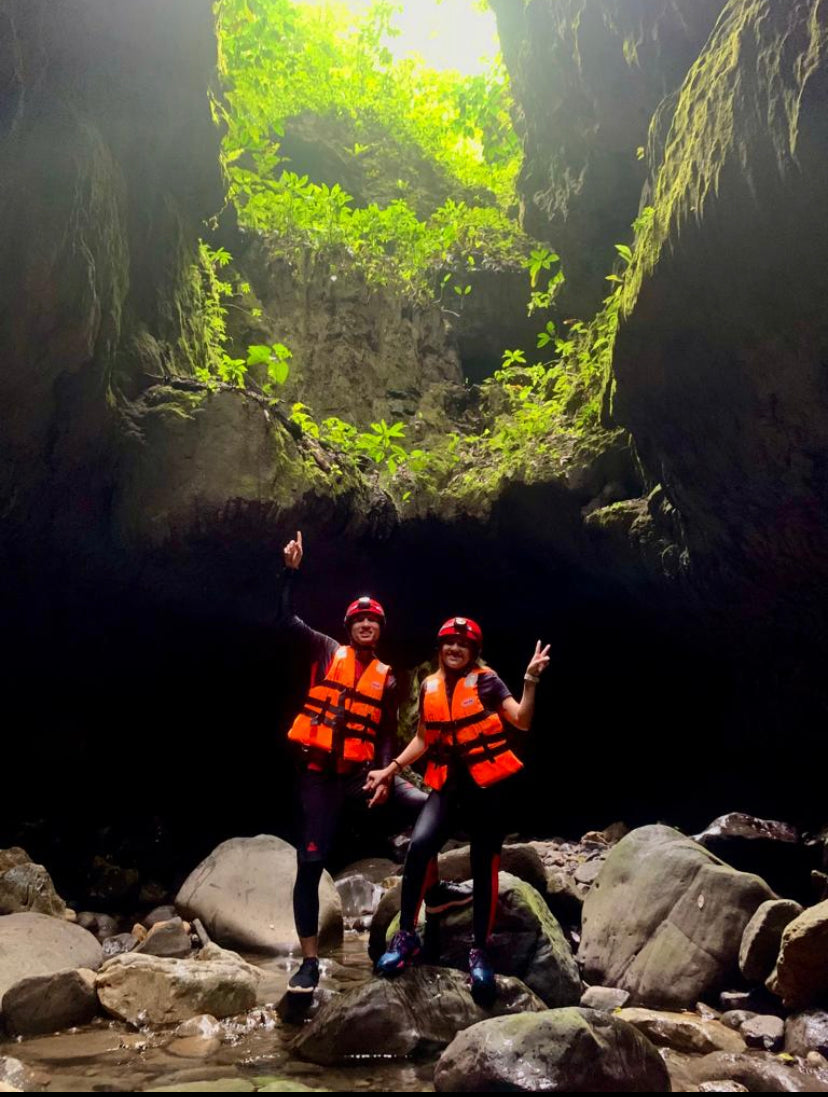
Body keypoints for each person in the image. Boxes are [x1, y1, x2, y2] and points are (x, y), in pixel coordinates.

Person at [278, 532, 470, 995]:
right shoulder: (325, 650)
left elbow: (385, 733)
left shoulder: (388, 679)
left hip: (362, 777)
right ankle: (308, 963)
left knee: (432, 804)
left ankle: (432, 884)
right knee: (310, 864)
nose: (366, 624)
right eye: (359, 619)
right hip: (320, 778)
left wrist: (385, 775)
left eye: (374, 620)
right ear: (349, 627)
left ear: (380, 631)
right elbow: (284, 619)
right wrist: (290, 572)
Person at [365, 616, 550, 1004]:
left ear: (473, 652)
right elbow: (422, 739)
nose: (454, 650)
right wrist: (390, 769)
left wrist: (530, 681)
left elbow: (521, 719)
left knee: (485, 866)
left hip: (486, 789)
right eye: (449, 644)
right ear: (441, 648)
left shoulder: (486, 681)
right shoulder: (430, 685)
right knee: (419, 848)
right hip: (446, 786)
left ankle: (479, 952)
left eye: (462, 645)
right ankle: (406, 938)